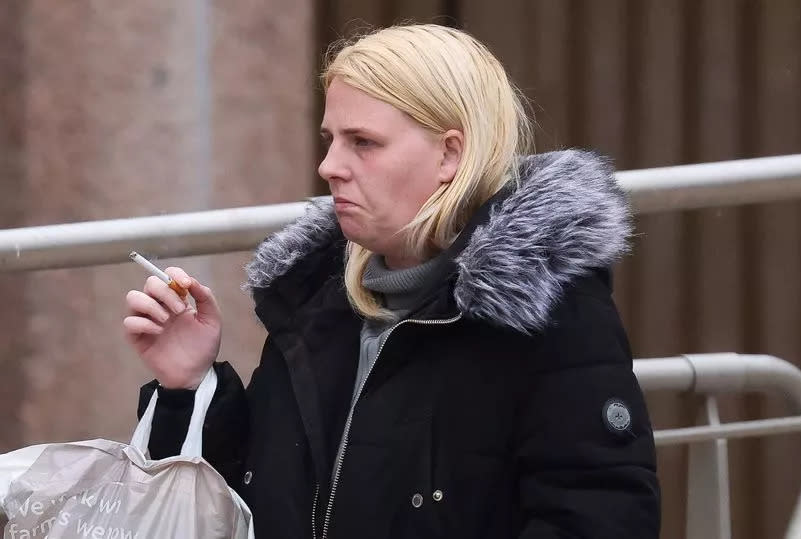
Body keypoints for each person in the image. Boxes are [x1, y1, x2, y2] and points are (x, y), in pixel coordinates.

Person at [125, 23, 660, 539]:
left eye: (363, 142)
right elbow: (246, 506)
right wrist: (188, 388)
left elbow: (598, 513)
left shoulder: (544, 308)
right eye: (331, 138)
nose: (329, 166)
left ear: (450, 154)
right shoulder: (314, 300)